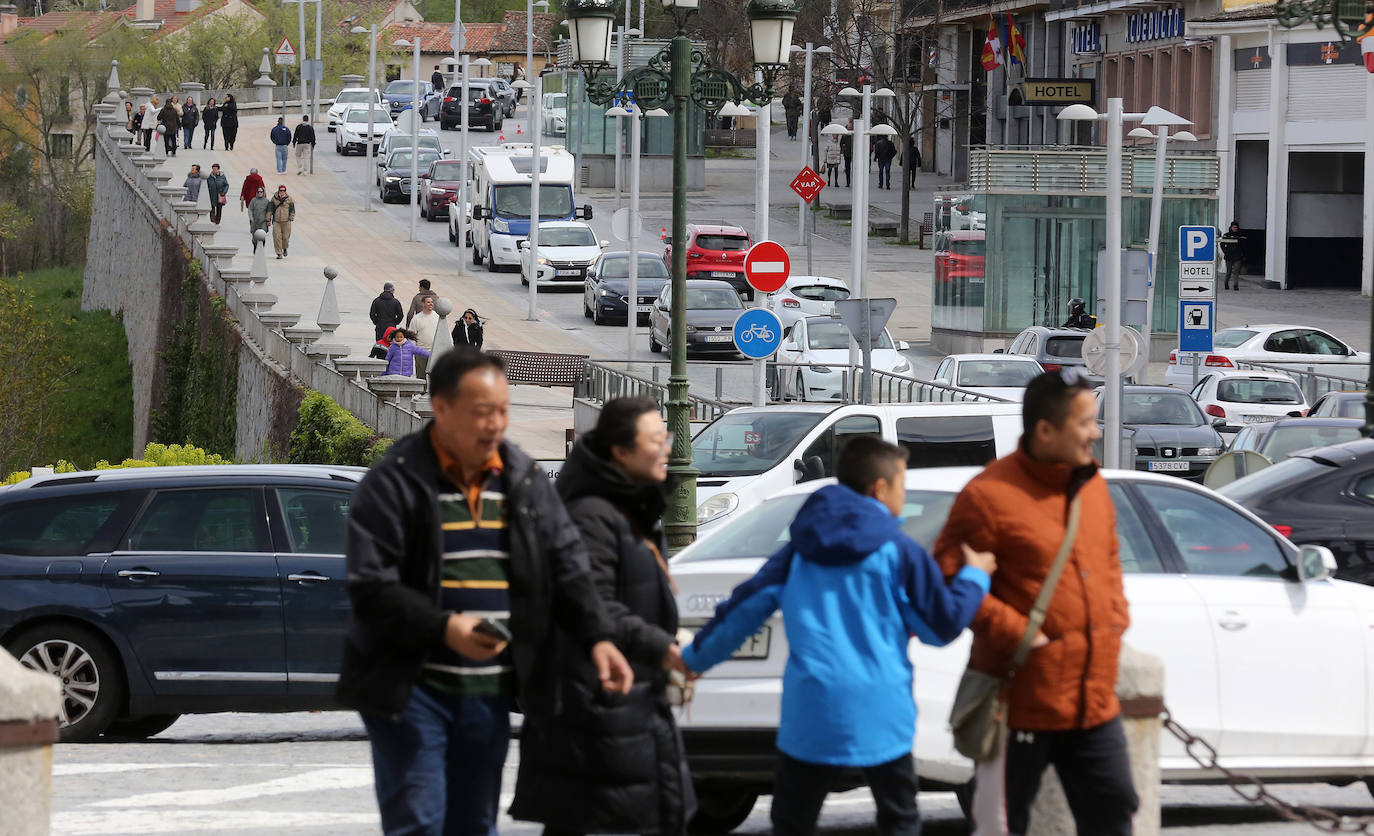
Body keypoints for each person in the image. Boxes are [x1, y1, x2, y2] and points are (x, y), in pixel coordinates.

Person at [336, 349, 633, 836]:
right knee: (419, 822)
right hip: (409, 688)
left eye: (502, 411)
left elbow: (569, 567)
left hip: (489, 691)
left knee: (475, 824)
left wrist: (599, 637)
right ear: (441, 407)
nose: (495, 424)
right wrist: (443, 627)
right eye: (481, 412)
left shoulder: (524, 478)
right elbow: (371, 586)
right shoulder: (394, 482)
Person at [682, 435, 994, 835]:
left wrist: (692, 663)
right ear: (880, 489)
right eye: (900, 484)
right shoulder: (900, 551)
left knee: (794, 820)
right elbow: (941, 627)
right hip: (881, 707)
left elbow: (743, 612)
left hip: (812, 710)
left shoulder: (799, 550)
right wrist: (975, 576)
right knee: (899, 817)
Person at [934, 370, 1136, 836]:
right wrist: (1024, 634)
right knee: (1004, 825)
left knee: (1115, 811)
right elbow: (947, 583)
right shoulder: (987, 496)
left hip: (1094, 697)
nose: (1096, 432)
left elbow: (1108, 564)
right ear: (1046, 430)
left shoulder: (1093, 486)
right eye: (1086, 422)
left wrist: (1115, 622)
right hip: (1018, 698)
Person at [511, 396, 696, 835]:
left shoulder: (629, 510)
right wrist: (660, 647)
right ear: (621, 452)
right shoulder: (592, 515)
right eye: (656, 439)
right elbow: (592, 602)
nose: (668, 447)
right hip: (596, 709)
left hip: (626, 706)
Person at [409, 296, 440, 379]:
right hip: (421, 351)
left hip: (434, 352)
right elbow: (412, 337)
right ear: (423, 303)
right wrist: (414, 351)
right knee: (421, 375)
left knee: (435, 376)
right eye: (428, 302)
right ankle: (421, 392)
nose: (431, 304)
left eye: (432, 302)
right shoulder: (416, 319)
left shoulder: (437, 317)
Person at [269, 185, 295, 258]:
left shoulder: (289, 199)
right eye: (281, 190)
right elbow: (270, 209)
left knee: (286, 237)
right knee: (277, 237)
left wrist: (291, 216)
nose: (282, 192)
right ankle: (279, 253)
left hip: (286, 221)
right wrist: (268, 219)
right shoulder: (274, 199)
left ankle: (285, 248)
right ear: (278, 190)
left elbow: (292, 209)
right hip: (276, 221)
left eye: (284, 190)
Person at [1221, 220, 1246, 291]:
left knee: (1236, 271)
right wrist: (1225, 251)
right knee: (1229, 271)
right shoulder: (1226, 235)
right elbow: (1222, 243)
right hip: (1229, 256)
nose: (1235, 228)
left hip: (1238, 256)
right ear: (1231, 227)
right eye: (1234, 227)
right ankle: (1226, 283)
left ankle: (1235, 285)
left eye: (1236, 227)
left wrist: (1243, 254)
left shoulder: (1240, 235)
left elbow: (1243, 246)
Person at [248, 186, 271, 251]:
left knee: (262, 236)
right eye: (258, 192)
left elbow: (269, 212)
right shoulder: (253, 200)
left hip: (263, 222)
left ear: (263, 192)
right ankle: (255, 246)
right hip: (255, 222)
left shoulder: (266, 201)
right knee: (254, 237)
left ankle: (261, 248)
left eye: (261, 192)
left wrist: (268, 220)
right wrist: (251, 218)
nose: (260, 193)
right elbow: (250, 209)